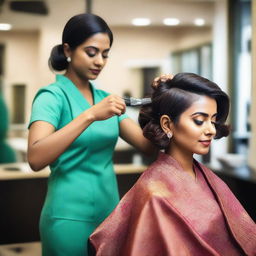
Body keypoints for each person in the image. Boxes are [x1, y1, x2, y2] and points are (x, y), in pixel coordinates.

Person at [27, 13, 156, 256]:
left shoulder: (105, 99)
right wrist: (89, 115)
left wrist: (162, 99)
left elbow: (148, 146)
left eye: (105, 54)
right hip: (67, 219)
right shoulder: (51, 97)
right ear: (68, 50)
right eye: (91, 52)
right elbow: (35, 157)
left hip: (109, 217)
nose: (99, 61)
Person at [89, 73, 256, 256]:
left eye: (213, 120)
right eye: (199, 121)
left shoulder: (205, 176)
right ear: (167, 124)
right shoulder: (155, 194)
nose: (210, 130)